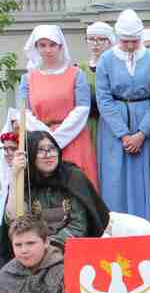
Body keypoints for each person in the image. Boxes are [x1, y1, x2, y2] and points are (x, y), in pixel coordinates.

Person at [96, 10, 150, 227]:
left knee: (149, 180)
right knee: (114, 180)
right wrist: (124, 134)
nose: (129, 45)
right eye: (125, 41)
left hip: (148, 126)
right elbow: (104, 99)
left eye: (134, 41)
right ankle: (116, 230)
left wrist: (142, 133)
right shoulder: (106, 60)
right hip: (114, 128)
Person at [16, 25, 98, 186]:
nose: (48, 50)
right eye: (43, 45)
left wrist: (58, 138)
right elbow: (24, 112)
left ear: (60, 46)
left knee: (77, 185)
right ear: (36, 47)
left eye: (52, 45)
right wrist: (46, 139)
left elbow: (82, 109)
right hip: (40, 142)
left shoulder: (76, 74)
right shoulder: (28, 78)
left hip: (73, 138)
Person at [5, 131, 110, 254]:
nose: (48, 155)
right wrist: (14, 177)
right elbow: (15, 219)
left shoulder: (73, 177)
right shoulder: (25, 180)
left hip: (72, 249)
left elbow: (79, 225)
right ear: (30, 155)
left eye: (52, 148)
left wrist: (51, 246)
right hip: (33, 250)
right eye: (40, 150)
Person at [80, 21, 116, 159]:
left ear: (110, 41)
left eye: (101, 39)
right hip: (86, 125)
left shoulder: (115, 68)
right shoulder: (79, 69)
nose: (96, 43)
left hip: (108, 124)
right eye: (91, 39)